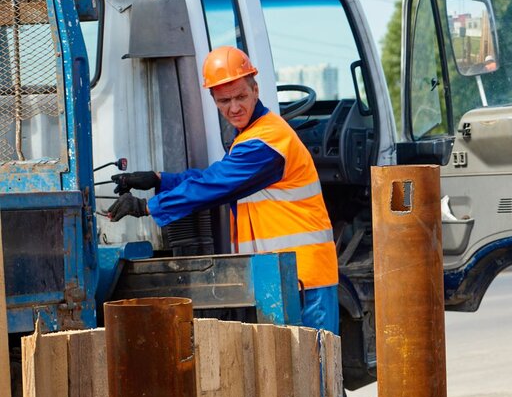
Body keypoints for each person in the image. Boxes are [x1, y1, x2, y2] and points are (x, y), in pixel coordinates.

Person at [107, 46, 339, 333]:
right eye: (224, 101)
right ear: (214, 100)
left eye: (241, 96)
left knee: (313, 370)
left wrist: (146, 207)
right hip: (285, 276)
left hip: (303, 279)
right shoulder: (253, 136)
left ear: (256, 89)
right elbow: (215, 176)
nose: (234, 107)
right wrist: (158, 179)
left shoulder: (266, 142)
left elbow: (214, 185)